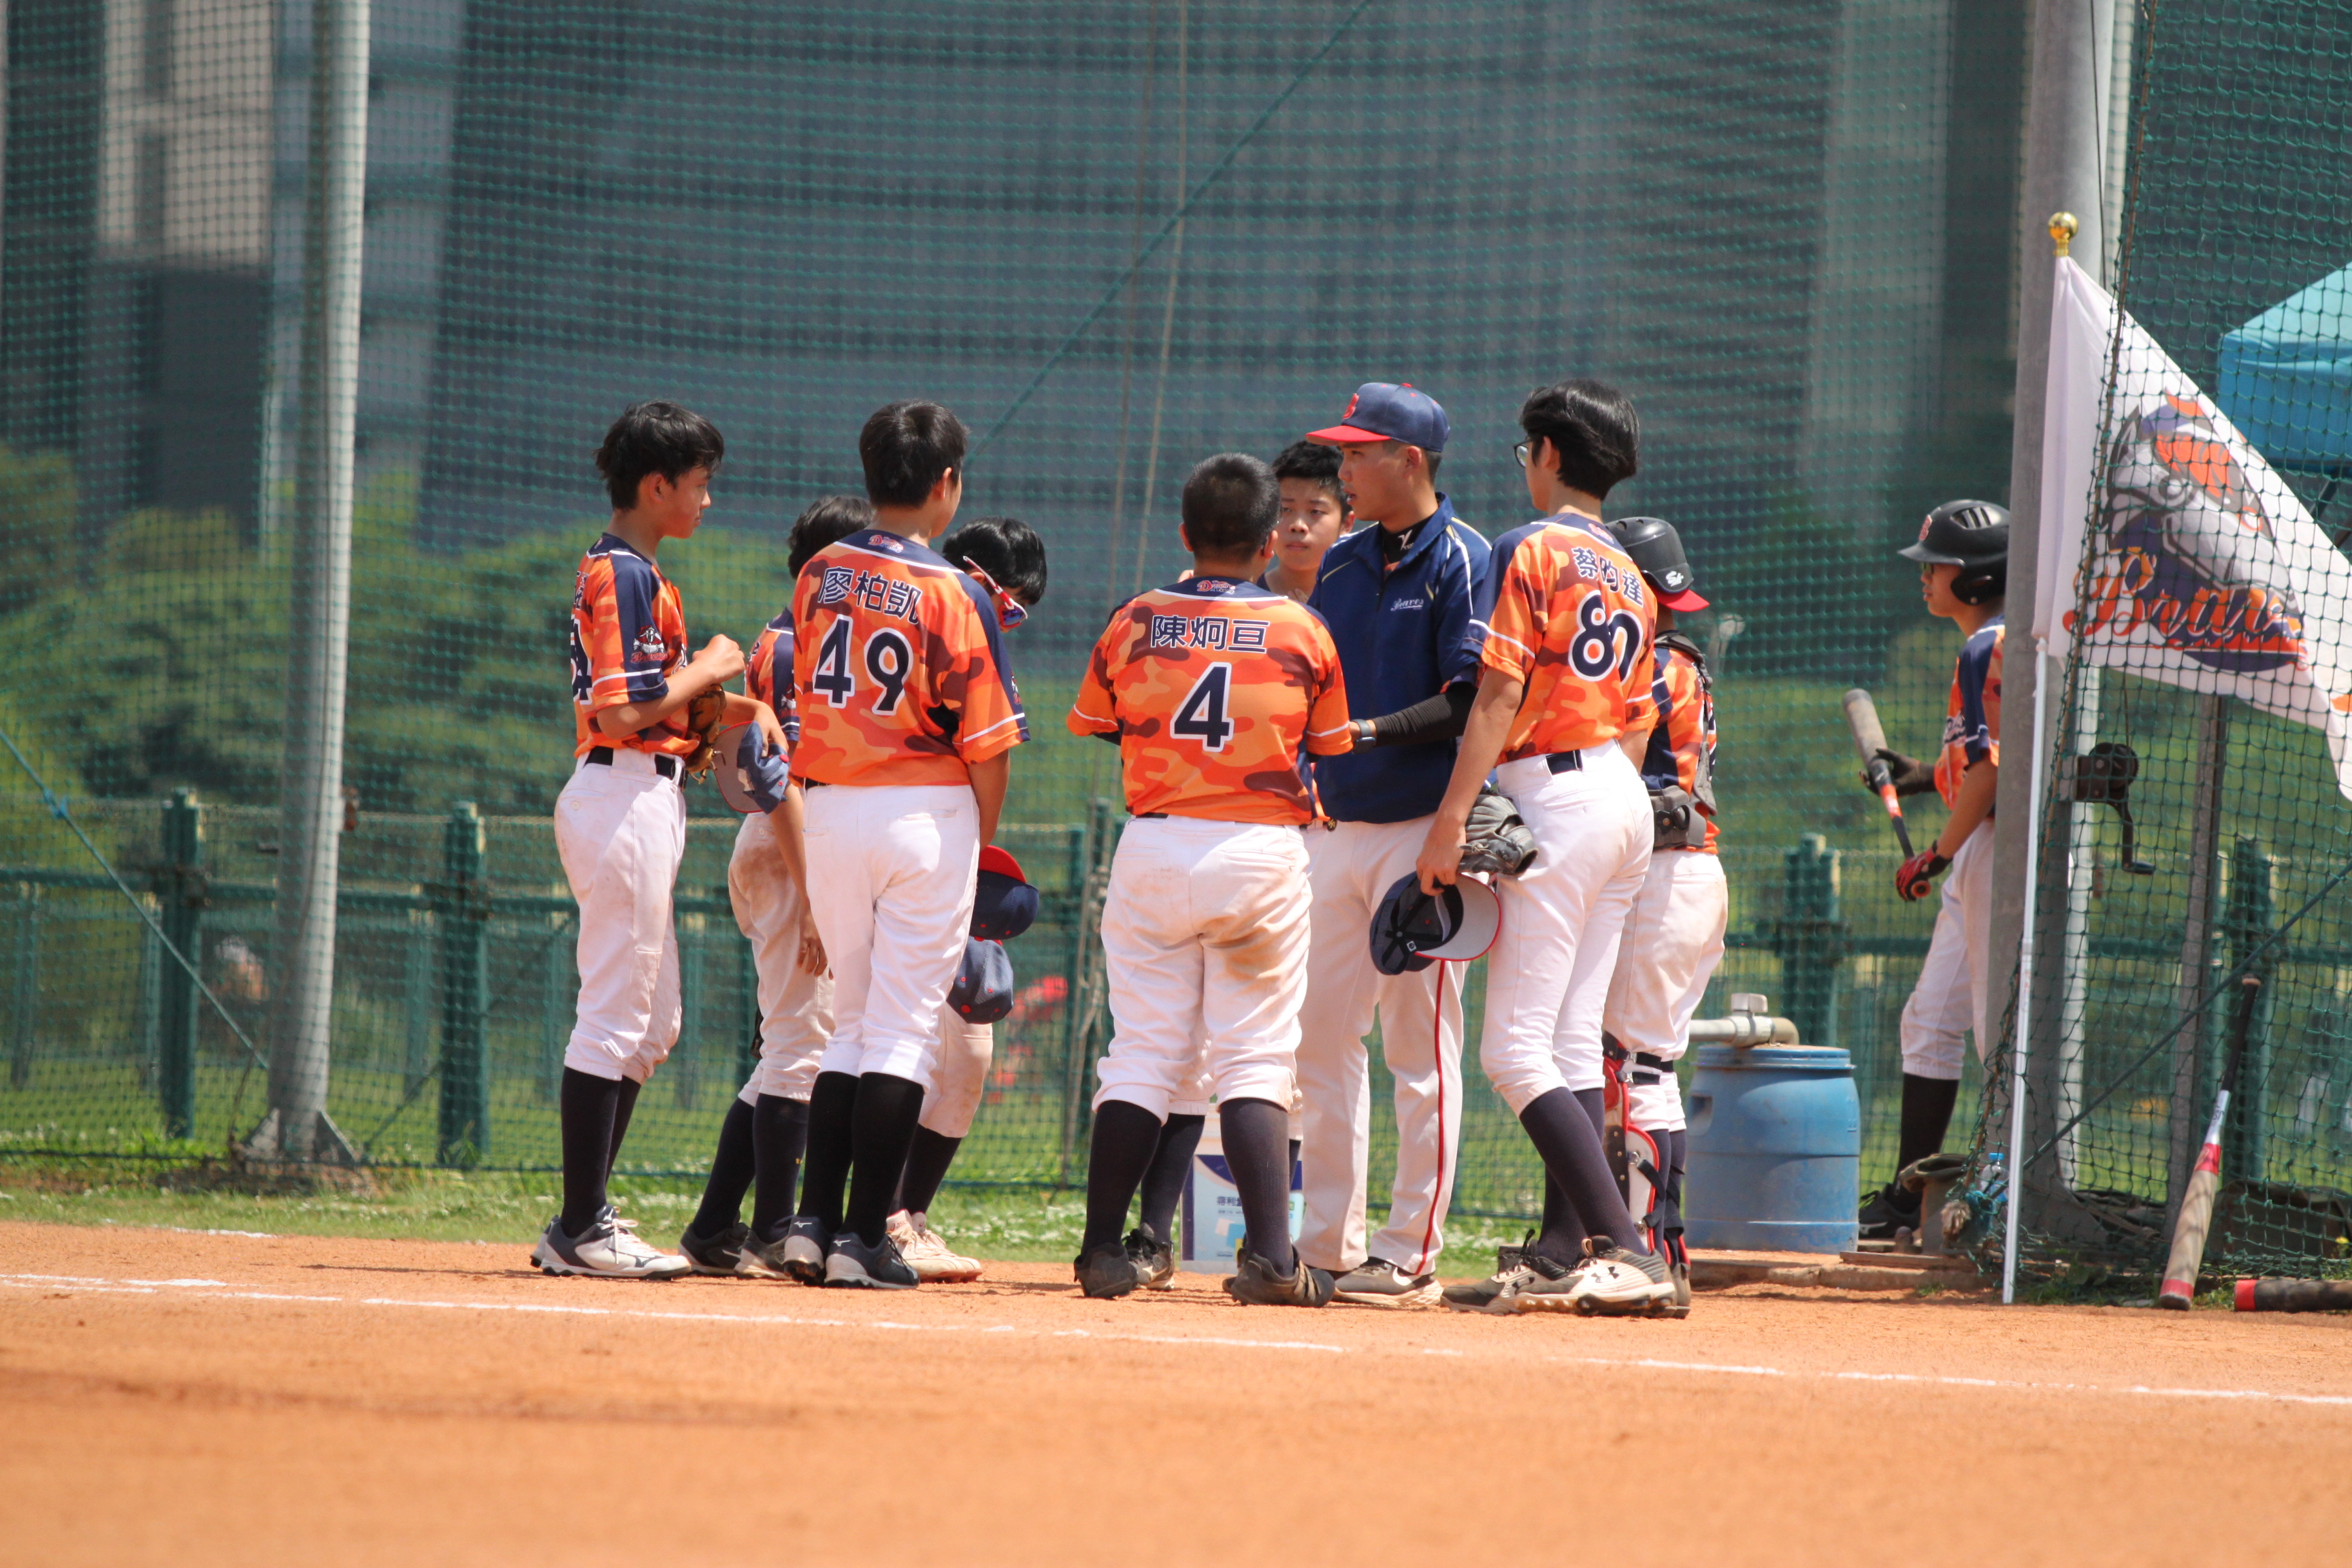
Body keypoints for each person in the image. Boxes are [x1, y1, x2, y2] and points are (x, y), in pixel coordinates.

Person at [1415, 378, 1678, 1317]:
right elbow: (1638, 719)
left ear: (1553, 454)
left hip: (1556, 790)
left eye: (1530, 450)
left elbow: (1497, 693)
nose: (1527, 465)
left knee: (1513, 1052)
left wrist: (1451, 820)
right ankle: (1568, 1250)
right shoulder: (1632, 573)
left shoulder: (1530, 546)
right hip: (1617, 792)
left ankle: (1629, 1250)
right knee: (1567, 1042)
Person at [1066, 453, 1353, 1305]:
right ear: (1269, 543)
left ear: (1186, 533)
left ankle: (1100, 1252)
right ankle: (1271, 1260)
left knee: (1142, 1053)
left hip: (1156, 844)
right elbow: (1329, 746)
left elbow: (1099, 721)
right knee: (1255, 1054)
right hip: (1259, 849)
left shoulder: (1136, 618)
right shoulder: (1302, 628)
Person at [772, 401, 1029, 1290]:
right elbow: (988, 744)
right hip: (924, 811)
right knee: (904, 1031)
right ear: (946, 484)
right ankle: (864, 1240)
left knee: (850, 1023)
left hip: (830, 808)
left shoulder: (819, 572)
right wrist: (980, 841)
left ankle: (813, 1225)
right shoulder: (954, 590)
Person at [534, 401, 785, 1279]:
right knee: (615, 1012)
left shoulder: (638, 572)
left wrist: (736, 704)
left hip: (642, 792)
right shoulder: (624, 573)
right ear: (656, 486)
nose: (707, 500)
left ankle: (582, 1215)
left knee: (652, 1022)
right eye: (699, 484)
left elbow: (660, 700)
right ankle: (582, 1226)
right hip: (621, 788)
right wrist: (710, 667)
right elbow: (621, 712)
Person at [1277, 381, 1491, 1308]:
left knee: (1421, 1052)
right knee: (1320, 1042)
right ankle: (1328, 1245)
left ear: (1409, 461)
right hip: (1335, 828)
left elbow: (1468, 698)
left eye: (1358, 453)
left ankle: (1409, 1254)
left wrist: (1366, 731)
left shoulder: (1466, 557)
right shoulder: (1342, 560)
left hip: (1420, 832)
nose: (1344, 469)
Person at [675, 495, 872, 1276]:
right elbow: (784, 784)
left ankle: (714, 1227)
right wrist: (817, 896)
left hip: (790, 847)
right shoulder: (798, 647)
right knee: (802, 1048)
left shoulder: (795, 634)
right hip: (791, 847)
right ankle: (772, 1231)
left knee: (790, 1046)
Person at [884, 514, 1051, 1282]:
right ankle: (836, 1219)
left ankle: (905, 1217)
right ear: (978, 579)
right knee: (852, 1046)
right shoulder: (919, 617)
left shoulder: (968, 634)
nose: (1006, 620)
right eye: (1008, 603)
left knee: (969, 1045)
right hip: (891, 847)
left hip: (938, 854)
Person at [1856, 500, 2007, 1242]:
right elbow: (1975, 767)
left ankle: (2005, 1197)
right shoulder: (1995, 642)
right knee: (1932, 1021)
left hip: (1998, 847)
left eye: (1938, 566)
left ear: (1975, 578)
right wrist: (1923, 775)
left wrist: (1935, 854)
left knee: (1997, 1033)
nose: (1925, 577)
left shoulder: (1986, 647)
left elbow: (1993, 775)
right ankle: (1910, 1200)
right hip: (1984, 843)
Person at [1597, 516, 1722, 1318]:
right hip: (1691, 873)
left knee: (1631, 1065)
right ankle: (1664, 1251)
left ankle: (1641, 1254)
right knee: (1650, 1067)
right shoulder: (1683, 659)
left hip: (1665, 873)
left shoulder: (1647, 662)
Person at [1262, 440, 1352, 602]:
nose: (1298, 526)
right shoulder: (1242, 597)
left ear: (1346, 523)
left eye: (1316, 512)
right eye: (1285, 509)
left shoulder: (1361, 600)